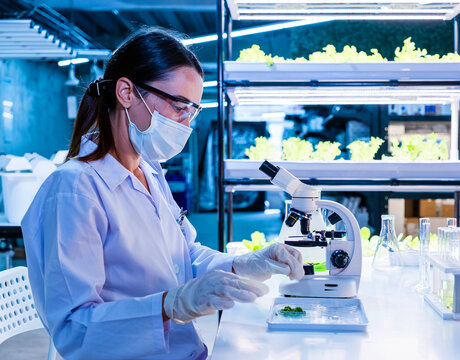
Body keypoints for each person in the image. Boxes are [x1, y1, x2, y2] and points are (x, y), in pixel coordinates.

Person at [21, 28, 304, 360]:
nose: (185, 123)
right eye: (179, 105)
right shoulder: (76, 190)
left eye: (193, 111)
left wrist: (245, 264)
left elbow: (183, 258)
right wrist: (171, 304)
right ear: (126, 93)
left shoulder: (150, 172)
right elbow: (74, 330)